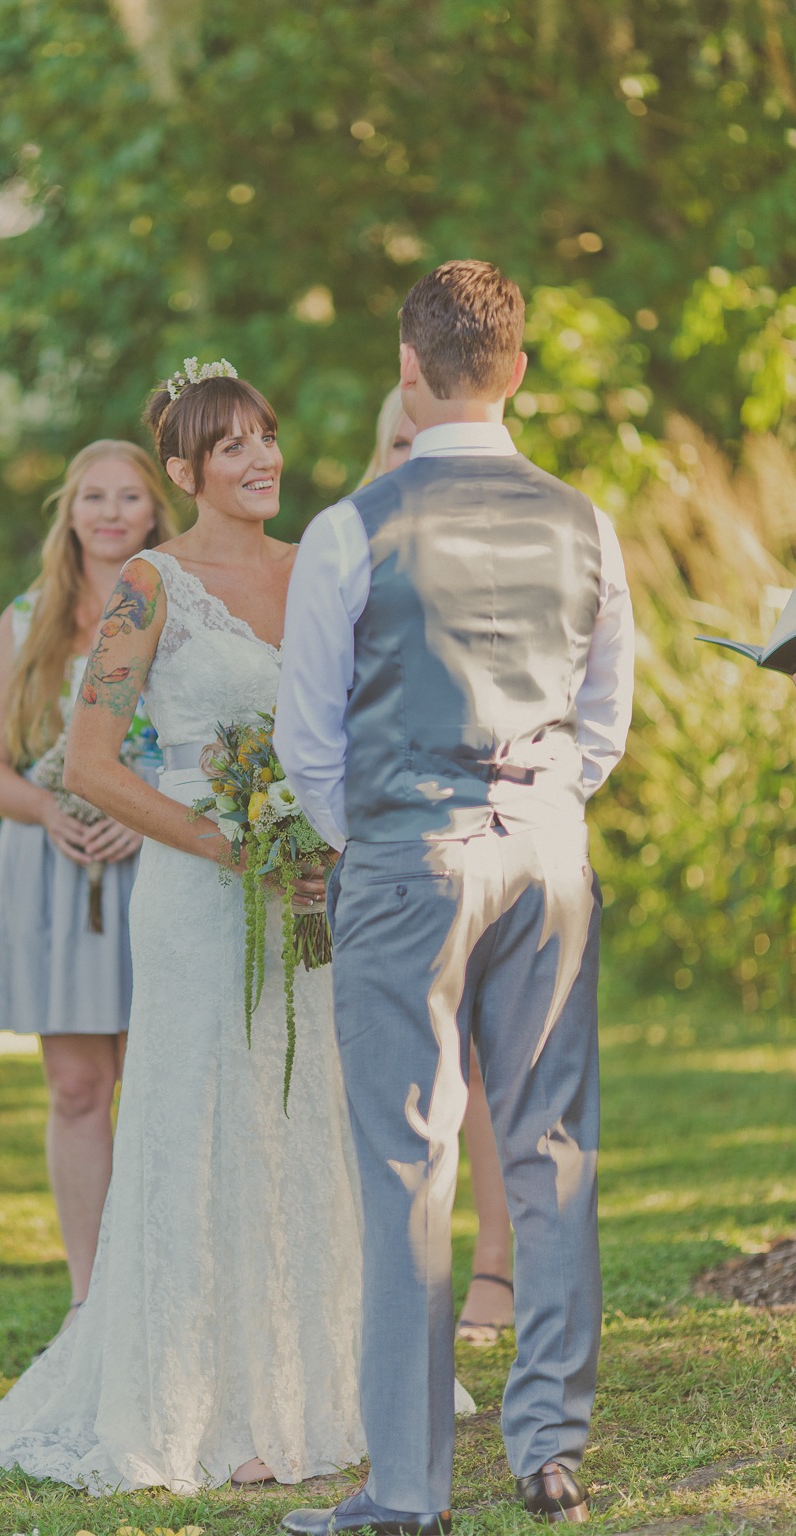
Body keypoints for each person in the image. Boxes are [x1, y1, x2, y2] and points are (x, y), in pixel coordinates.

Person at [0, 365, 403, 1489]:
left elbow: (362, 728)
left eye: (267, 438)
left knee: (300, 1109)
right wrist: (228, 845)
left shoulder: (325, 569)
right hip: (199, 895)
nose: (259, 460)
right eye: (230, 447)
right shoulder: (151, 586)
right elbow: (93, 762)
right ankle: (206, 1397)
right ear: (185, 474)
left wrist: (324, 848)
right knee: (200, 1112)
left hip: (306, 890)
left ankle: (318, 1382)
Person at [275, 260, 634, 1531]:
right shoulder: (584, 522)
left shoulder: (345, 529)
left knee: (404, 1167)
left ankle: (410, 1490)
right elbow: (604, 721)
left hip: (404, 863)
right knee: (549, 1153)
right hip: (548, 856)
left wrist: (382, 835)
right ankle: (547, 1447)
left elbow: (307, 739)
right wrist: (536, 808)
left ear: (409, 373)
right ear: (518, 372)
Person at [0, 441, 176, 1338]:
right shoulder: (25, 620)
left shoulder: (179, 606)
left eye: (129, 496)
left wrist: (147, 813)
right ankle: (90, 1299)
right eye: (93, 496)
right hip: (56, 872)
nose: (110, 511)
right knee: (79, 1084)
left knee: (162, 1075)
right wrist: (50, 812)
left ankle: (163, 1283)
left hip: (162, 861)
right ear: (70, 510)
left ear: (156, 510)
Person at [364, 386, 515, 1348]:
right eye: (397, 440)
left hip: (492, 830)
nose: (413, 452)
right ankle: (398, 1280)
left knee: (484, 1058)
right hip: (380, 841)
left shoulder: (508, 542)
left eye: (425, 437)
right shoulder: (354, 547)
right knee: (401, 1066)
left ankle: (495, 1265)